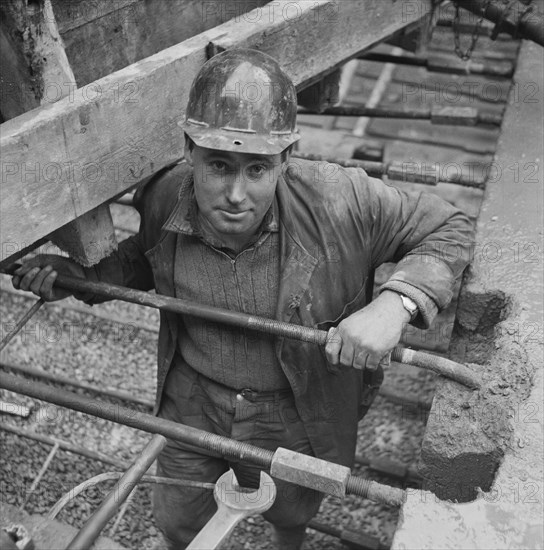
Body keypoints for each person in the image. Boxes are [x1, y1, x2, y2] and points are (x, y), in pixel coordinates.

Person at [12, 49, 475, 549]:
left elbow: (450, 226)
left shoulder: (343, 201)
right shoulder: (166, 195)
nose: (235, 193)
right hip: (192, 397)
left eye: (256, 170)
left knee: (291, 510)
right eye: (218, 165)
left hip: (296, 407)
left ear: (287, 157)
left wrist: (396, 304)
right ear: (189, 150)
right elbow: (143, 261)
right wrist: (80, 274)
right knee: (177, 518)